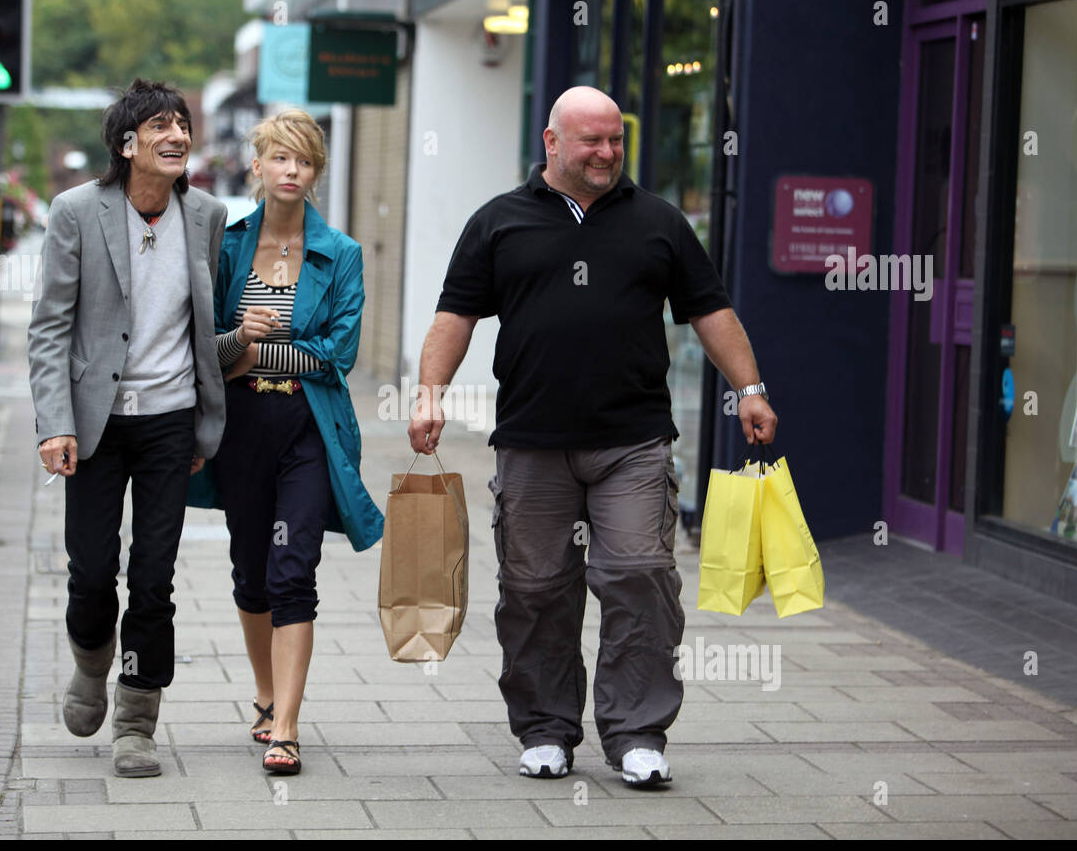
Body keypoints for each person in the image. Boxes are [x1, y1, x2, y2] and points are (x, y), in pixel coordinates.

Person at [408, 86, 778, 788]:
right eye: (591, 141)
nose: (607, 153)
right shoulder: (499, 222)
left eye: (615, 140)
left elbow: (710, 311)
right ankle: (546, 729)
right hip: (531, 440)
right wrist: (430, 396)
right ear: (552, 143)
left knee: (639, 576)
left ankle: (637, 733)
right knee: (535, 587)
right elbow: (454, 316)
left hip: (632, 440)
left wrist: (750, 390)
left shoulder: (659, 222)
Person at [28, 78, 228, 778]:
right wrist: (54, 423)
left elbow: (204, 327)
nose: (178, 136)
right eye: (161, 126)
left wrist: (219, 393)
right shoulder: (77, 212)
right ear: (127, 143)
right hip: (95, 426)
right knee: (91, 572)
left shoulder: (206, 214)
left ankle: (136, 720)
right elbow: (50, 326)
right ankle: (90, 660)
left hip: (171, 421)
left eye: (184, 124)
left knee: (153, 579)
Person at [187, 109, 383, 775]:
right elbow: (203, 346)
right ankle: (267, 696)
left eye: (304, 161)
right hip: (240, 429)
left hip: (308, 429)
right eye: (280, 158)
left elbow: (340, 354)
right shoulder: (229, 245)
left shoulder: (342, 254)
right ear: (258, 165)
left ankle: (288, 728)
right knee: (251, 570)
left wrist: (267, 349)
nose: (291, 171)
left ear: (317, 171)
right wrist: (242, 342)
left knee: (292, 568)